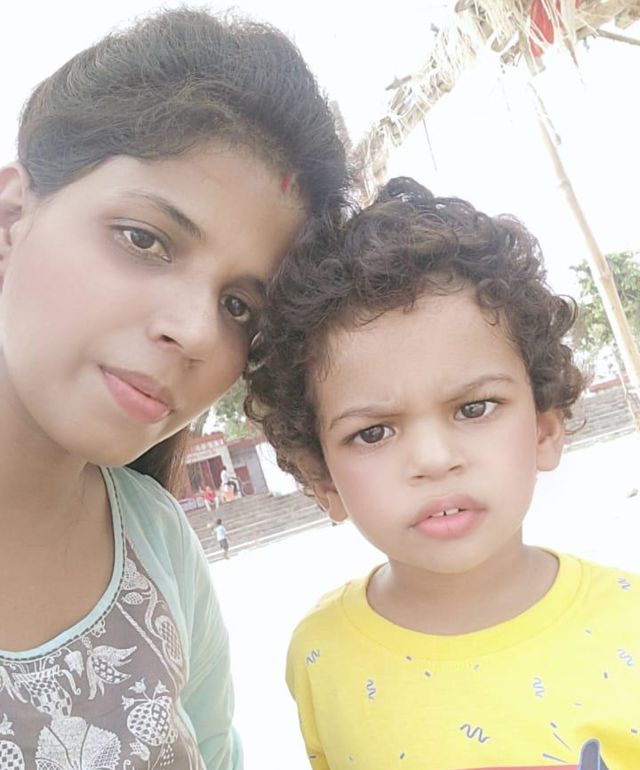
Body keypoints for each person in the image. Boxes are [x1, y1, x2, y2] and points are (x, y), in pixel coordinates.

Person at [0, 9, 347, 770]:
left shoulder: (158, 547)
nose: (196, 332)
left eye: (239, 307)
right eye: (145, 239)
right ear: (11, 218)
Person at [246, 177, 640, 769]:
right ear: (323, 479)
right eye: (373, 433)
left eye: (474, 408)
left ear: (544, 429)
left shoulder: (630, 624)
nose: (433, 458)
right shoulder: (319, 654)